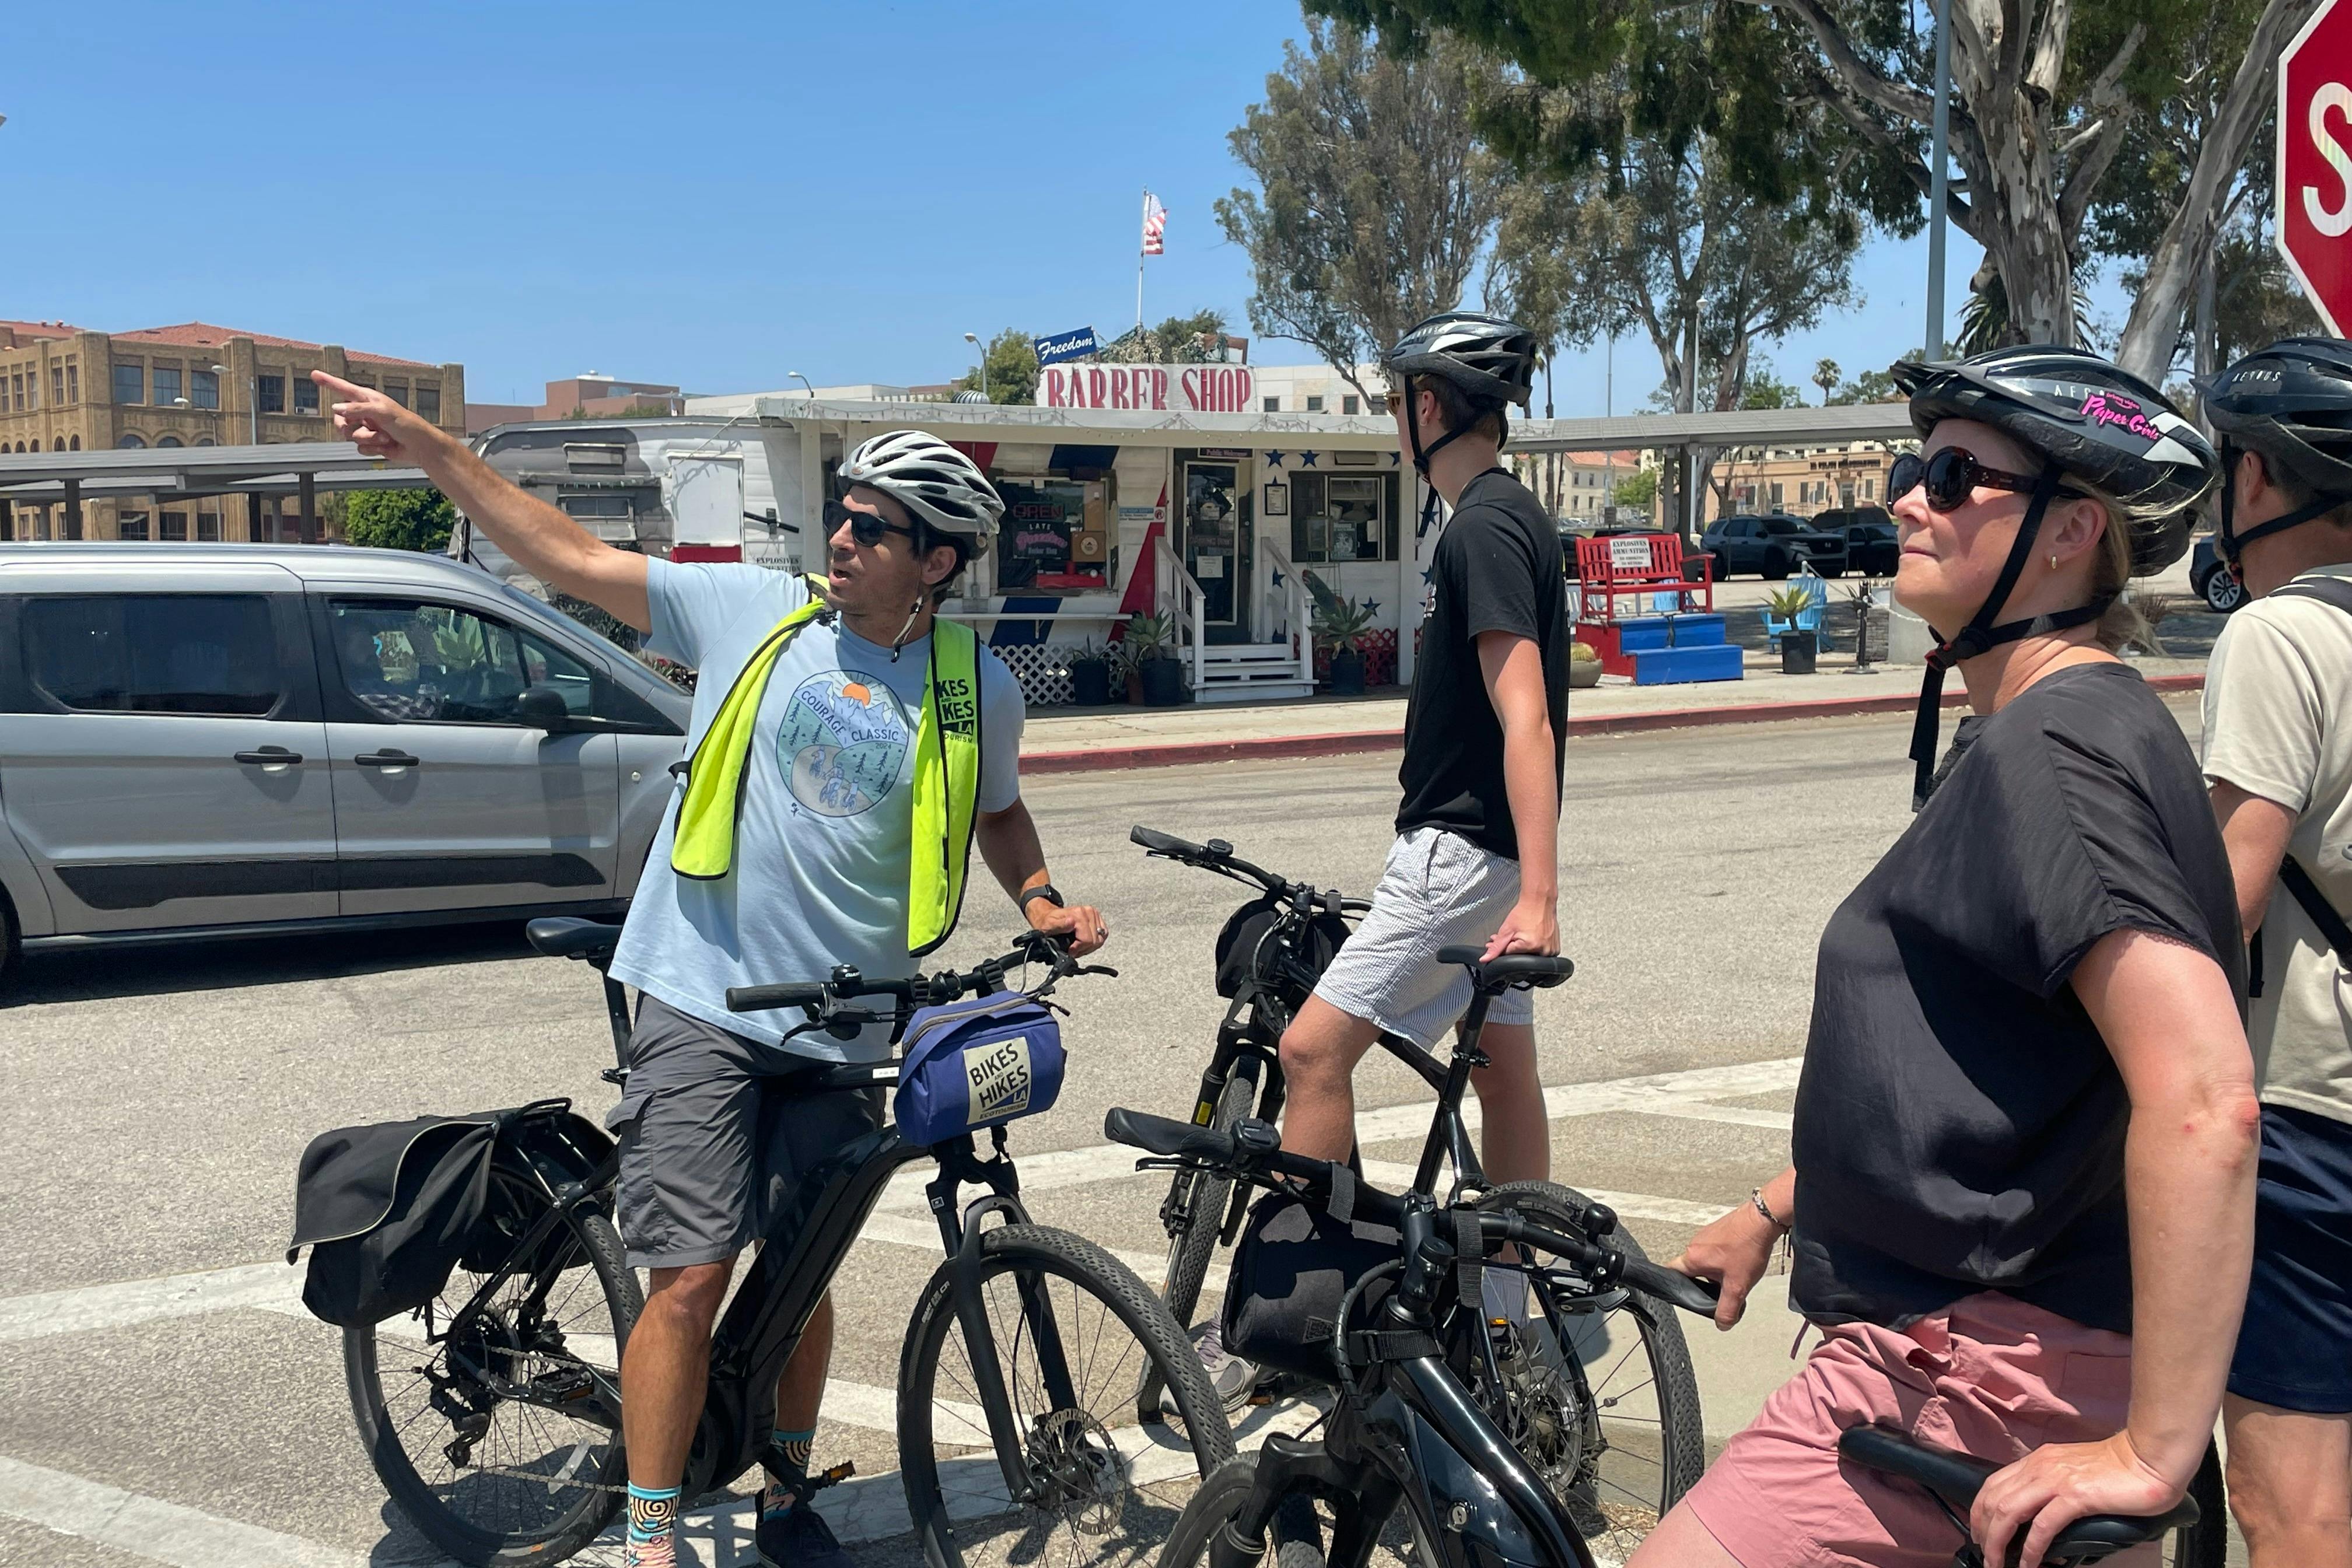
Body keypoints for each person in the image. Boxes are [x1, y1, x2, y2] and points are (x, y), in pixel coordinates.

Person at [313, 373, 1106, 1568]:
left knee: (802, 1273)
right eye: (842, 513)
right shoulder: (753, 611)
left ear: (937, 563)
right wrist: (435, 451)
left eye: (873, 527)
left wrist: (1039, 894)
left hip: (845, 1019)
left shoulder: (974, 685)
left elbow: (996, 811)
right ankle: (649, 1536)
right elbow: (572, 557)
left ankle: (787, 1498)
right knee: (690, 1277)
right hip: (702, 995)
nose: (841, 538)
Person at [1630, 346, 2260, 1568]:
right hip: (1989, 1335)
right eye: (1918, 468)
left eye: (1958, 475)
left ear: (2075, 529)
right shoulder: (2065, 724)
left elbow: (2206, 1101)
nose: (1912, 497)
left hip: (1971, 1370)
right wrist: (1775, 1209)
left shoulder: (2056, 754)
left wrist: (2156, 1454)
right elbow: (1995, 1070)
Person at [1214, 312, 1564, 1402]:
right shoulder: (1515, 518)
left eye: (1401, 400)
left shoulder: (1480, 530)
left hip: (1459, 854)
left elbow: (1527, 715)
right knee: (1503, 1072)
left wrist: (1544, 896)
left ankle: (1330, 1334)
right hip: (1492, 856)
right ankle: (1508, 1321)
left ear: (1426, 408)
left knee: (1314, 1052)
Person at [2196, 337, 2352, 1568]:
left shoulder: (2278, 637)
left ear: (2256, 476)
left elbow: (2221, 901)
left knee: (2289, 1506)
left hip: (2312, 1122)